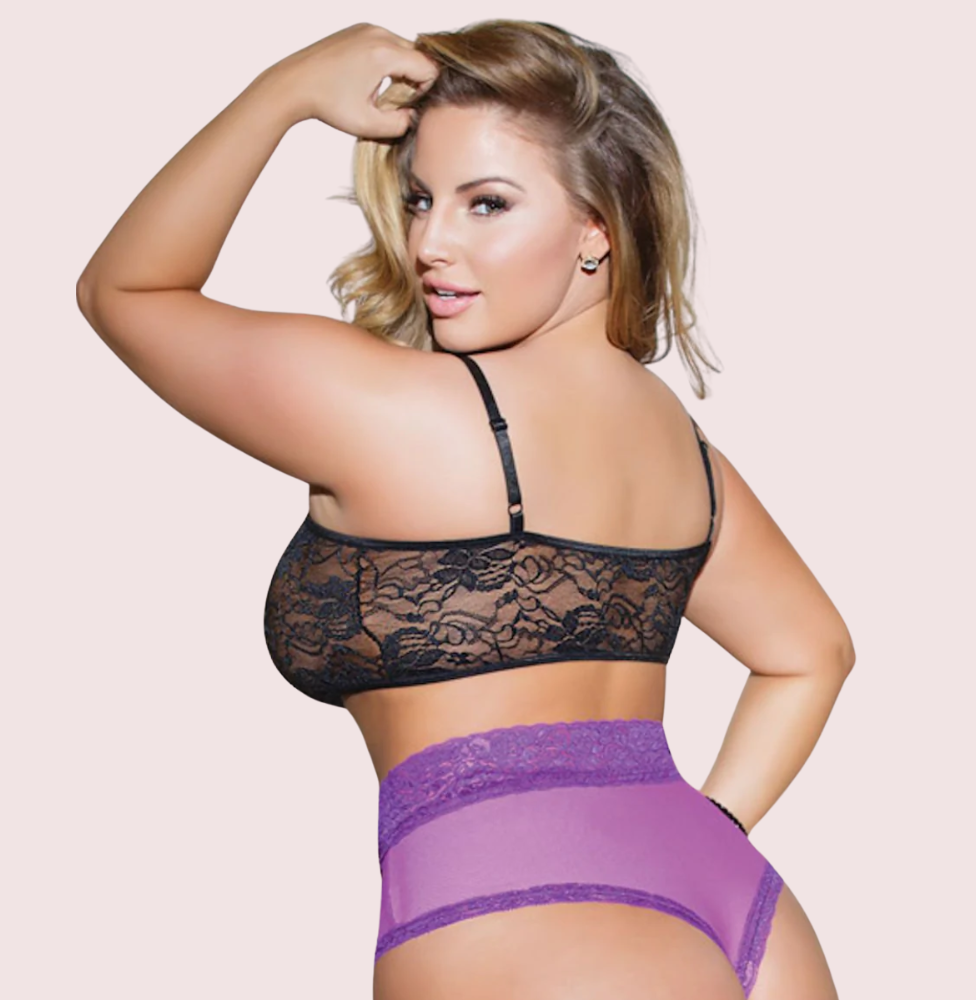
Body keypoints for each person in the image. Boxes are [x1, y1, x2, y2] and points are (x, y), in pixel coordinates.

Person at [76, 20, 855, 1000]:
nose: (429, 242)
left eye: (487, 203)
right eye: (419, 198)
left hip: (522, 925)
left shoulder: (404, 413)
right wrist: (711, 829)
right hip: (743, 914)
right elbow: (810, 651)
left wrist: (283, 93)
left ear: (596, 230)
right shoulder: (687, 458)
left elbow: (125, 289)